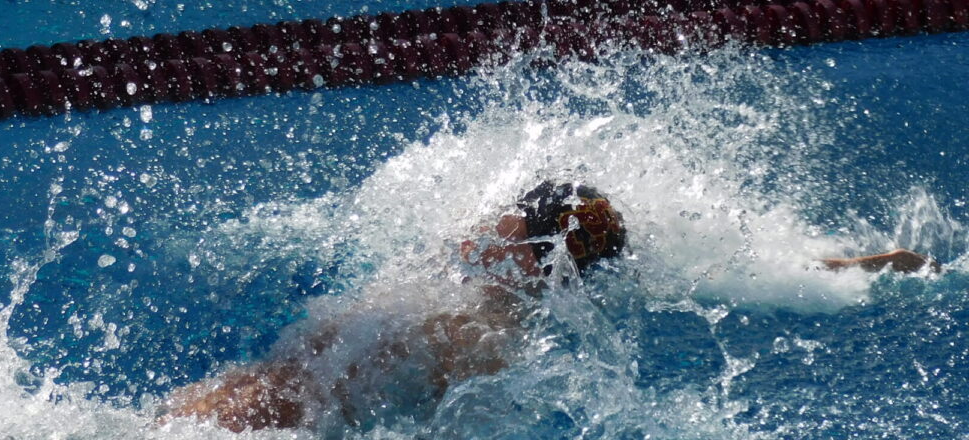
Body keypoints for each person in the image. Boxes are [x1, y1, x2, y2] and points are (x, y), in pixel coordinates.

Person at [163, 181, 939, 433]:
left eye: (505, 217)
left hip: (264, 418)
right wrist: (863, 265)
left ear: (525, 245)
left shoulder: (477, 325)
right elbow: (730, 266)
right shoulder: (478, 284)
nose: (489, 217)